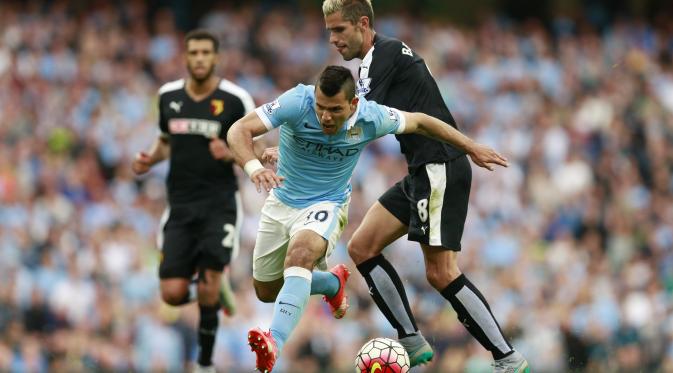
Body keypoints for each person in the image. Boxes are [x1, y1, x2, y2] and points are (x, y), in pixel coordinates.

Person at [227, 65, 508, 373]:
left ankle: (274, 341)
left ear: (353, 104)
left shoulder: (372, 117)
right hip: (280, 201)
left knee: (301, 255)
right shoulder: (297, 101)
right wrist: (255, 168)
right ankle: (332, 282)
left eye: (335, 110)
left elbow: (422, 122)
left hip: (326, 204)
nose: (325, 117)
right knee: (266, 291)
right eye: (321, 108)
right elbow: (238, 130)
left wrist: (471, 147)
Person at [322, 1, 530, 371]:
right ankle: (411, 339)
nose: (333, 39)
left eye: (339, 30)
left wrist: (303, 147)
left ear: (363, 24)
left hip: (439, 167)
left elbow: (357, 124)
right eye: (329, 32)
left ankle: (507, 358)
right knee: (362, 246)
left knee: (441, 272)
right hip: (423, 169)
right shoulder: (385, 55)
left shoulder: (381, 57)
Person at [131, 29, 255, 373]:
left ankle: (204, 363)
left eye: (205, 53)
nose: (199, 58)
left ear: (216, 58)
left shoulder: (235, 100)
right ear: (185, 57)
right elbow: (166, 142)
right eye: (194, 53)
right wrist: (148, 160)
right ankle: (212, 290)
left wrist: (231, 153)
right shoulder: (168, 96)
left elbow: (258, 150)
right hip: (181, 206)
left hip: (220, 204)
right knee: (171, 293)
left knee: (208, 284)